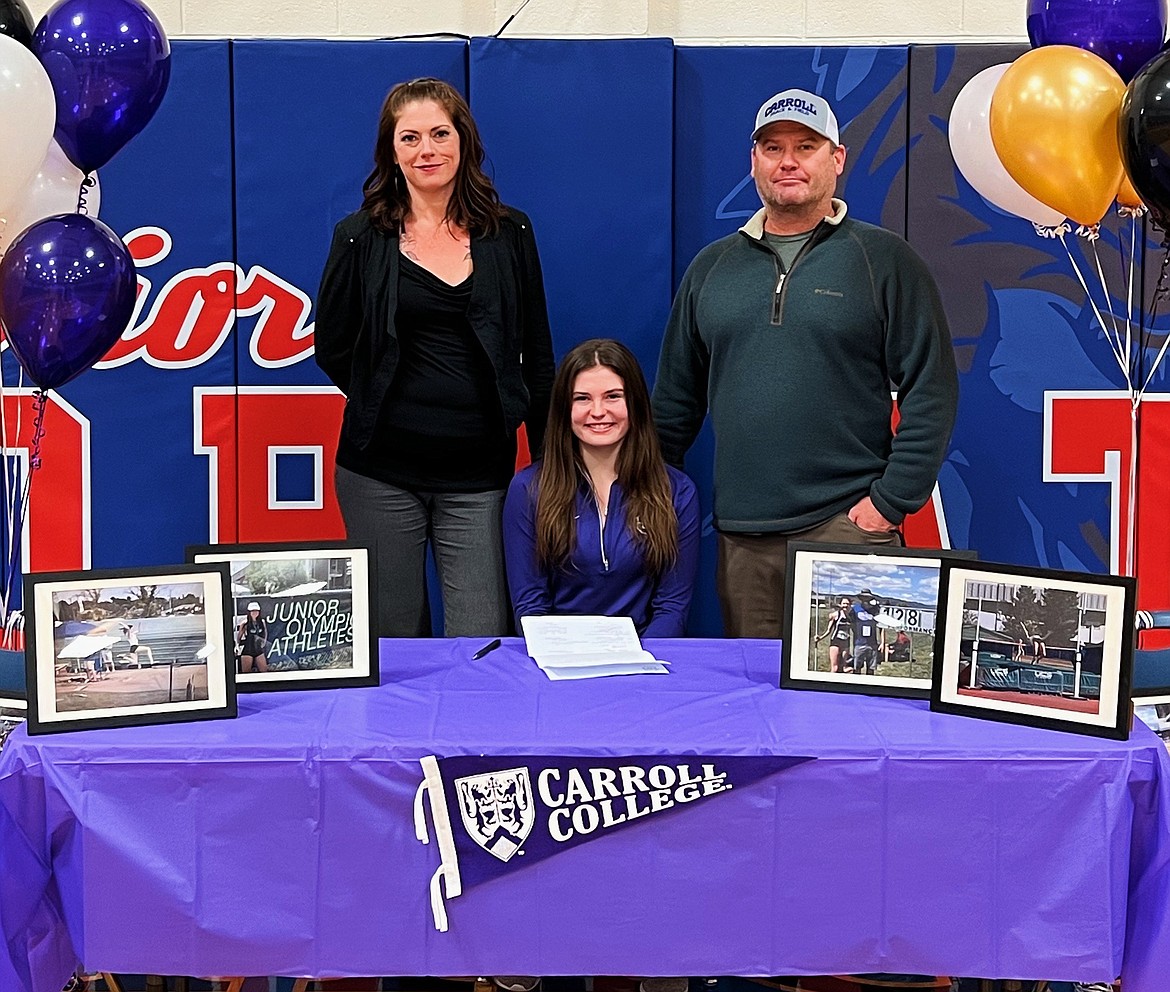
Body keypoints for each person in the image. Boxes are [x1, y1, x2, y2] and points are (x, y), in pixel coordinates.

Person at [651, 87, 958, 637]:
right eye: (772, 148)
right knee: (761, 707)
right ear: (754, 163)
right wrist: (650, 498)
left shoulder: (884, 260)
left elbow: (932, 389)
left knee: (857, 701)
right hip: (743, 539)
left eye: (806, 146)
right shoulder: (710, 268)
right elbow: (674, 403)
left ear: (837, 159)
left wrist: (888, 505)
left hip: (847, 528)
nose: (787, 161)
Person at [315, 76, 555, 638]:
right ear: (391, 152)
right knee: (394, 636)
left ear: (464, 141)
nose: (428, 150)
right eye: (410, 138)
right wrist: (385, 396)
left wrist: (547, 465)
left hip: (481, 475)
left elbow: (537, 356)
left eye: (440, 134)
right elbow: (332, 344)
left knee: (483, 635)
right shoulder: (358, 237)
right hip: (379, 471)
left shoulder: (510, 233)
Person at [504, 338, 701, 638]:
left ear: (634, 404)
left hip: (642, 659)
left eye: (613, 396)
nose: (598, 411)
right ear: (564, 409)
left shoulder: (677, 491)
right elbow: (530, 605)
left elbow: (672, 607)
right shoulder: (528, 489)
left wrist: (639, 663)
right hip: (559, 659)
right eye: (582, 398)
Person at [814, 595, 853, 672]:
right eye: (844, 603)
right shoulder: (835, 615)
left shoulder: (851, 617)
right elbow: (829, 630)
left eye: (847, 604)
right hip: (836, 642)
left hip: (846, 644)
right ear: (841, 604)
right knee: (835, 668)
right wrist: (820, 638)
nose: (846, 605)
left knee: (843, 668)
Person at [237, 602, 269, 674]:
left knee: (264, 670)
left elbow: (265, 633)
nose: (255, 613)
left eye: (256, 611)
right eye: (252, 611)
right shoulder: (245, 623)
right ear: (249, 612)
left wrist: (264, 642)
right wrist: (237, 646)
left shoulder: (262, 622)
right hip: (248, 649)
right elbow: (239, 636)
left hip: (258, 649)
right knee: (246, 673)